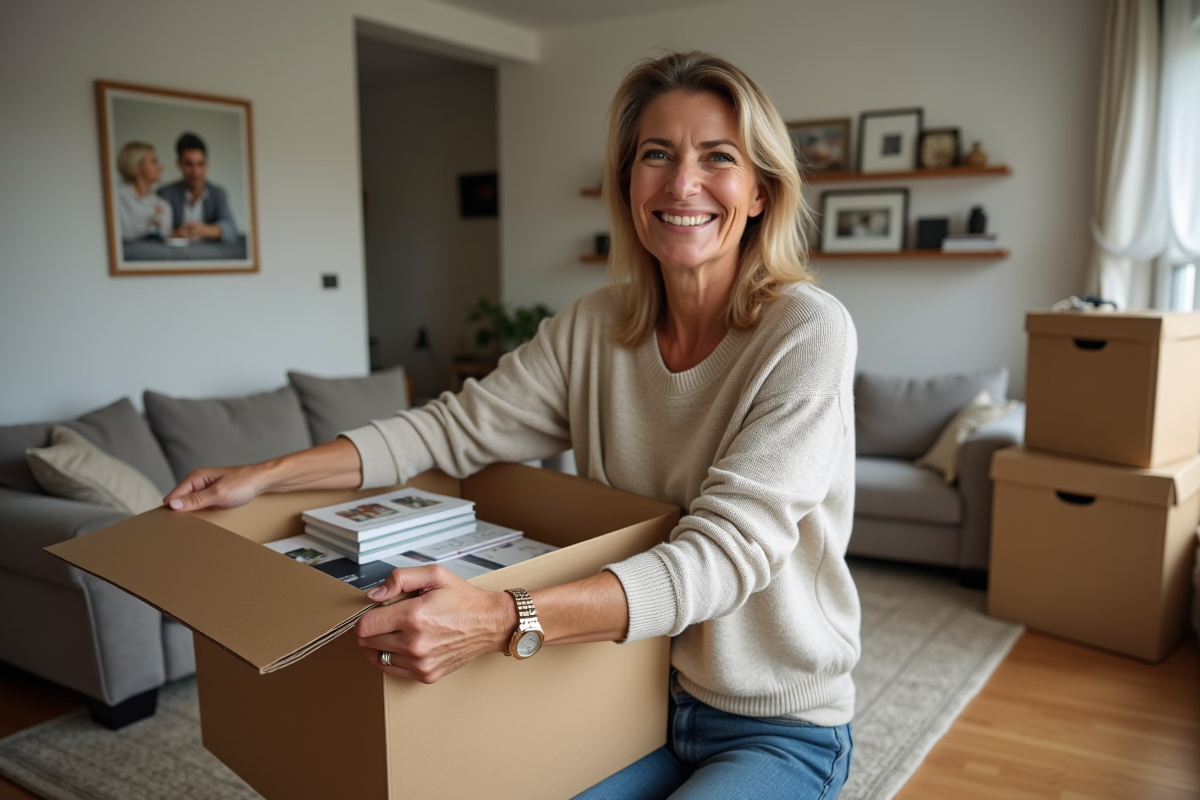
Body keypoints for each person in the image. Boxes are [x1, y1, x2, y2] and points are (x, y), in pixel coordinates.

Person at [165, 50, 859, 800]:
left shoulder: (806, 331)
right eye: (656, 154)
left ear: (760, 191)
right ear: (629, 184)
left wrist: (502, 617)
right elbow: (451, 429)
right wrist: (265, 474)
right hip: (626, 691)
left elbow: (723, 555)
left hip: (777, 723)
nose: (682, 183)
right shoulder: (594, 327)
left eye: (717, 158)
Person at [157, 132, 238, 243]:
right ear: (179, 164)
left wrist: (204, 230)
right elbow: (157, 232)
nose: (196, 172)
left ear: (207, 164)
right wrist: (173, 234)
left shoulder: (218, 193)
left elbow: (231, 229)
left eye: (200, 164)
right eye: (189, 164)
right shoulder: (166, 193)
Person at [114, 141, 173, 241]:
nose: (161, 167)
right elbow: (125, 234)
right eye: (154, 162)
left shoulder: (163, 204)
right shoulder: (117, 197)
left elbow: (164, 237)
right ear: (137, 165)